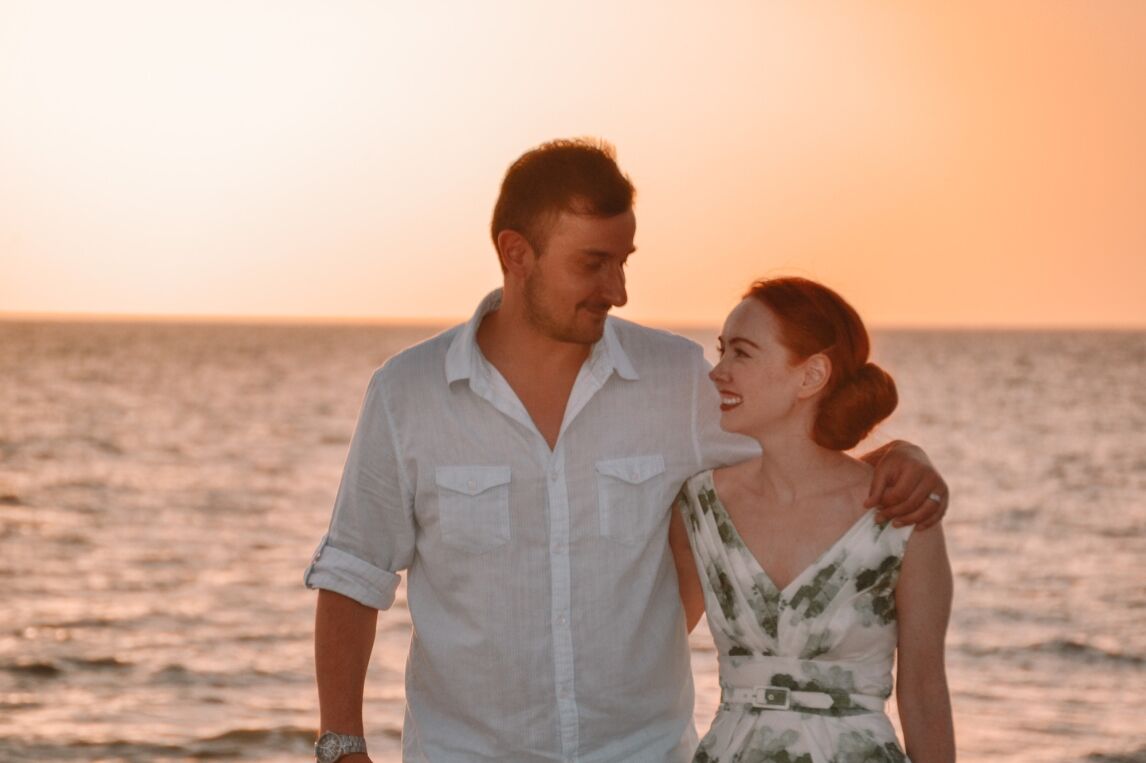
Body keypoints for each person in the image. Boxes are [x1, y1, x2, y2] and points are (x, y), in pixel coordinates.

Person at [304, 138, 949, 763]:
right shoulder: (408, 393)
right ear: (516, 253)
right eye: (592, 263)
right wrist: (342, 748)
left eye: (624, 260)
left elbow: (798, 458)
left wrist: (902, 457)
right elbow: (353, 575)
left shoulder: (674, 380)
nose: (618, 289)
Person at [670, 277, 955, 762]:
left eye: (741, 353)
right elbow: (654, 640)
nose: (717, 372)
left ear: (811, 375)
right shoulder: (698, 508)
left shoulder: (901, 514)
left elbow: (925, 695)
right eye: (722, 351)